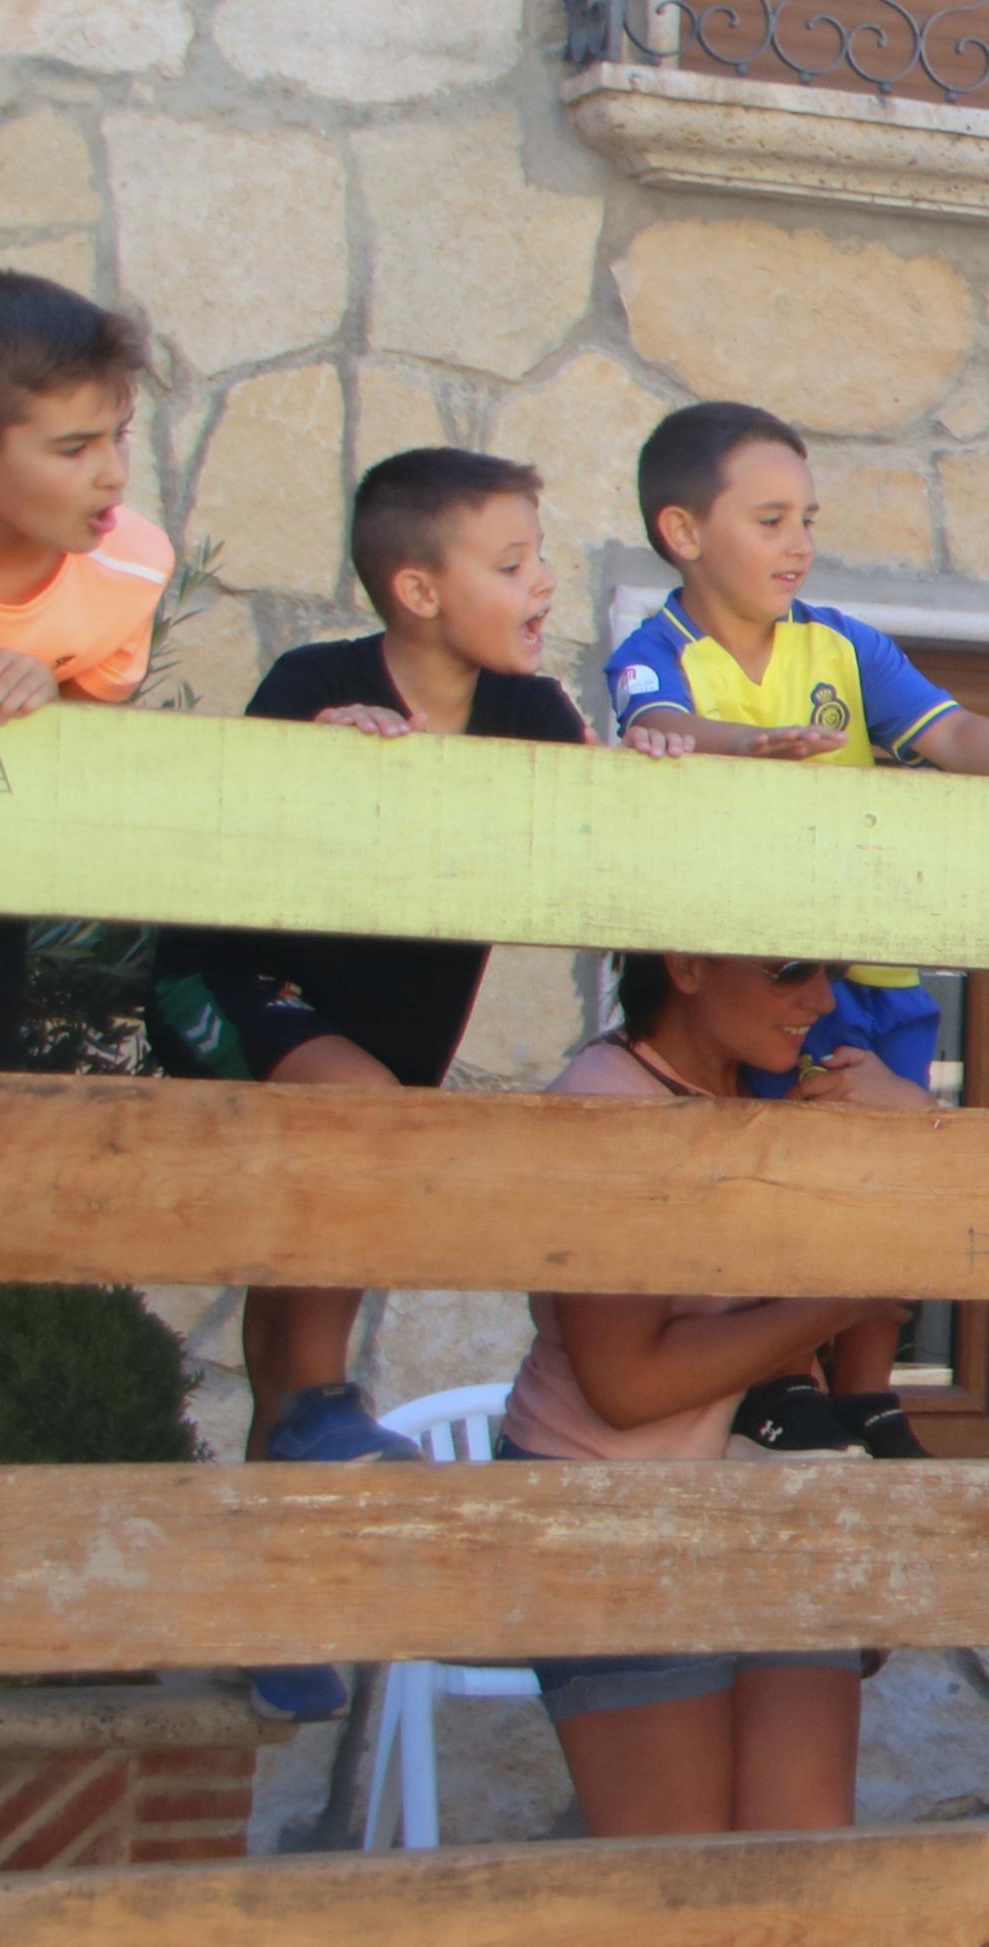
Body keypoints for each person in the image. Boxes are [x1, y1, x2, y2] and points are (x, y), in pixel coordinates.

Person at [496, 949, 935, 1947]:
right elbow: (625, 1385)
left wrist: (889, 1144)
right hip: (612, 1505)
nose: (820, 1008)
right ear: (688, 963)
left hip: (770, 1501)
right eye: (794, 976)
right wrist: (839, 1292)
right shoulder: (604, 1105)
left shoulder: (773, 1095)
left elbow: (937, 1188)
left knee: (808, 1881)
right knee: (661, 1886)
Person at [153, 452, 695, 1488]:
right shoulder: (317, 684)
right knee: (362, 1124)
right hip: (230, 988)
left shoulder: (530, 711)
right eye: (511, 561)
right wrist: (322, 755)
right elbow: (233, 825)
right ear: (417, 590)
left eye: (539, 558)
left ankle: (286, 1494)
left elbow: (595, 826)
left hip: (385, 1043)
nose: (541, 581)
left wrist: (654, 765)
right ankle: (317, 1407)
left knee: (326, 1216)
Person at [604, 401, 989, 1442]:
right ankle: (790, 1385)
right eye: (769, 518)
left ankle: (868, 1392)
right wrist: (733, 744)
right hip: (764, 977)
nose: (798, 542)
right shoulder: (654, 644)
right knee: (794, 1175)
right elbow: (653, 723)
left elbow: (949, 729)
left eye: (807, 517)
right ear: (681, 532)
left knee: (885, 1180)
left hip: (879, 966)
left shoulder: (843, 644)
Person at [0, 270, 165, 1475]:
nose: (112, 475)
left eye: (117, 436)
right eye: (73, 447)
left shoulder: (126, 568)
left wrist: (52, 694)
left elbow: (84, 733)